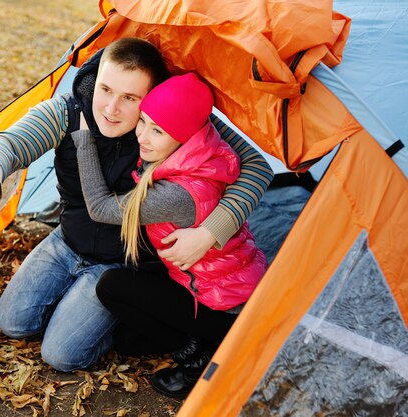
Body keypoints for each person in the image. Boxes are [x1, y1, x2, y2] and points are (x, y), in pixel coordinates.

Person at [0, 38, 274, 372]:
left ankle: (120, 320)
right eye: (105, 89)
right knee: (13, 324)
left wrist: (211, 231)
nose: (110, 108)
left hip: (123, 263)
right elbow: (11, 141)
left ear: (151, 99)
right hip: (68, 241)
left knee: (61, 356)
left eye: (129, 98)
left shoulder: (168, 122)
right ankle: (75, 302)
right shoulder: (70, 111)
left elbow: (255, 167)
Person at [74, 73, 268, 398]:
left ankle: (197, 360)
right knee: (126, 340)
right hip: (217, 285)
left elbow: (101, 208)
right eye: (144, 122)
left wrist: (83, 140)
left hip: (225, 307)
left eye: (158, 131)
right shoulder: (201, 150)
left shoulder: (177, 194)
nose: (143, 137)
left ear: (184, 137)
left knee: (112, 287)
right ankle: (203, 341)